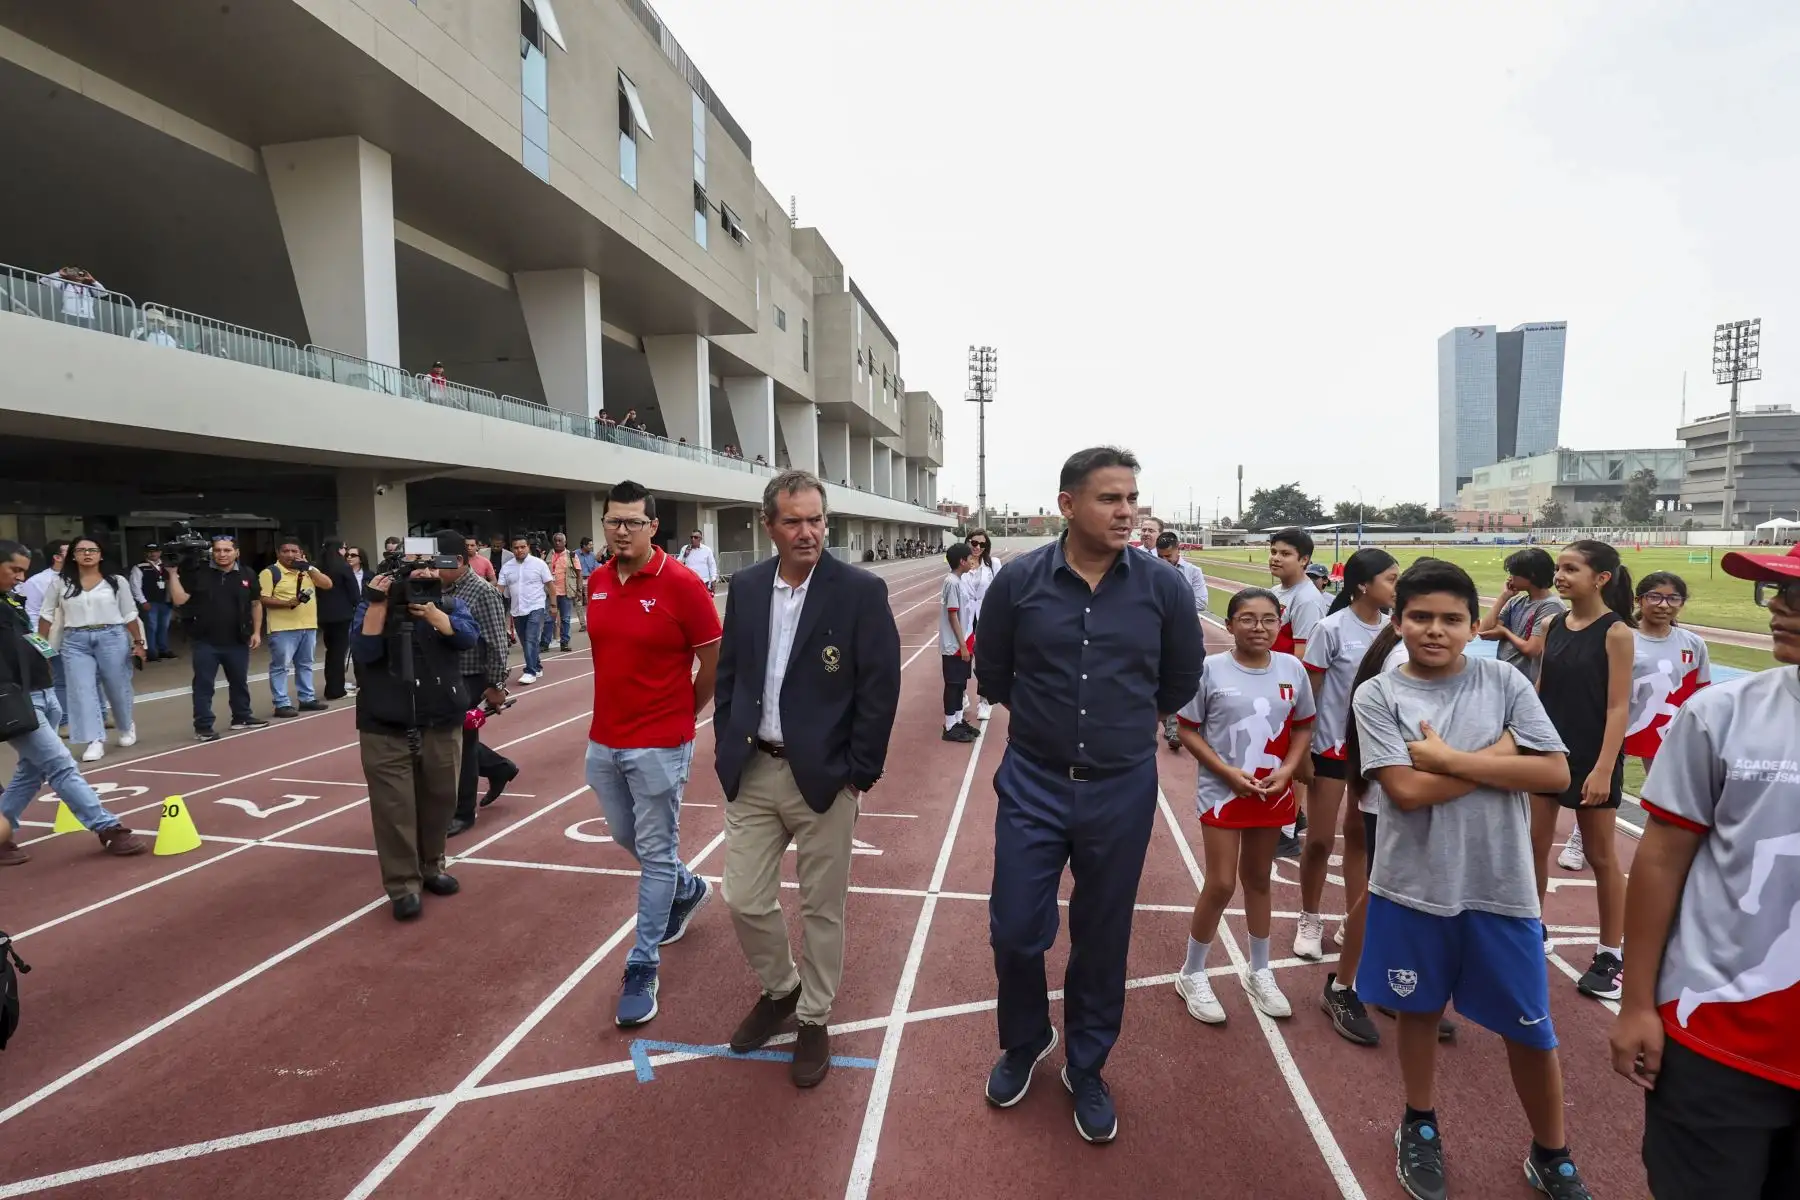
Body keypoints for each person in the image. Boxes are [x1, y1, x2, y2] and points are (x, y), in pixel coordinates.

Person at [975, 447, 1204, 1144]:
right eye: (1110, 498)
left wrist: (1116, 733)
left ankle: (1088, 1063)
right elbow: (995, 675)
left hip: (1120, 787)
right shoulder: (1017, 583)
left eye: (1132, 497)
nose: (1127, 511)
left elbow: (1178, 679)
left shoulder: (1163, 589)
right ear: (1067, 505)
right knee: (1015, 929)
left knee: (1103, 937)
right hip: (1035, 781)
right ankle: (1024, 1040)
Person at [1350, 559, 1589, 1200]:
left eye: (1452, 619)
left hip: (1501, 886)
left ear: (1472, 624)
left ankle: (1551, 1152)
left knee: (1530, 1028)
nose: (1436, 630)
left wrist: (1452, 760)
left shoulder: (1504, 681)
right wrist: (1503, 755)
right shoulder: (1377, 693)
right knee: (1419, 1012)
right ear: (1398, 621)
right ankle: (1420, 1122)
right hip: (1412, 887)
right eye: (1421, 617)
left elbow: (1556, 776)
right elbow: (1404, 791)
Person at [1609, 541, 1800, 1200]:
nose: (1777, 607)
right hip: (1715, 1034)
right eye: (1775, 591)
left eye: (1796, 596)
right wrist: (1637, 1003)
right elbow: (1660, 859)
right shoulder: (1722, 714)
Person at [713, 470, 900, 1087]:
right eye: (793, 520)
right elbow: (730, 675)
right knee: (741, 895)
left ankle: (815, 1016)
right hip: (754, 767)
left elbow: (879, 688)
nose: (808, 532)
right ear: (769, 526)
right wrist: (724, 748)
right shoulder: (744, 588)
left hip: (825, 777)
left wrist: (859, 775)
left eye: (817, 519)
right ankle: (781, 988)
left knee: (823, 907)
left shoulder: (858, 592)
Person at [584, 482, 723, 1027]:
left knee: (657, 850)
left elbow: (712, 659)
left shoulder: (682, 585)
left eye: (631, 523)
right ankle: (687, 889)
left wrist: (684, 715)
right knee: (626, 836)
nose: (621, 531)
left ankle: (642, 964)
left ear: (652, 526)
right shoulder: (595, 581)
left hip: (661, 741)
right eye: (613, 521)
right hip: (604, 738)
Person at [1172, 587, 1315, 1026]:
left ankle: (1260, 970)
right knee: (1219, 883)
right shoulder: (1210, 670)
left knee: (1258, 879)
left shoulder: (1292, 668)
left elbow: (1304, 726)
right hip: (1224, 792)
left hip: (1272, 791)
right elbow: (1188, 729)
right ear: (1230, 623)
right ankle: (1192, 972)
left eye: (1269, 619)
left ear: (1280, 622)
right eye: (1248, 619)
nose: (1259, 627)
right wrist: (1228, 773)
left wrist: (1288, 770)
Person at [350, 530, 479, 921]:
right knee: (395, 809)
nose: (420, 579)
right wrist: (378, 603)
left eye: (427, 569)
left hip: (440, 719)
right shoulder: (372, 605)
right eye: (414, 571)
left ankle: (432, 866)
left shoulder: (449, 603)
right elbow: (364, 651)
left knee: (440, 799)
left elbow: (470, 638)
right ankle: (403, 884)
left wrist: (438, 616)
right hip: (385, 724)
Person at [1532, 539, 1635, 1003]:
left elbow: (1618, 707)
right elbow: (1540, 690)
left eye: (1571, 569)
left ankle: (1611, 953)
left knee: (1601, 857)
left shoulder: (1616, 633)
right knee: (1531, 847)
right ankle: (1532, 929)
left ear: (1601, 578)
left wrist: (1603, 768)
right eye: (1559, 568)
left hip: (1593, 757)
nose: (1561, 575)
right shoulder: (1553, 623)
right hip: (1546, 754)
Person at [0, 540, 147, 864]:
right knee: (60, 764)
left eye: (23, 571)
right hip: (14, 700)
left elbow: (31, 639)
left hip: (41, 691)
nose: (20, 577)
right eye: (14, 570)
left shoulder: (10, 601)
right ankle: (107, 827)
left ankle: (2, 830)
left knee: (31, 771)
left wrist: (47, 662)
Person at [1563, 571, 1711, 874]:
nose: (1664, 605)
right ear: (1639, 600)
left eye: (1673, 598)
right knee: (1599, 786)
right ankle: (1578, 840)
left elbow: (1701, 691)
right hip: (1616, 725)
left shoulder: (1693, 644)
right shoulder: (1622, 635)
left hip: (1665, 729)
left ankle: (1671, 851)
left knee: (1668, 791)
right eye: (1655, 596)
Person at [1294, 548, 1398, 962]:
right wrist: (1301, 750)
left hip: (1373, 752)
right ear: (1362, 584)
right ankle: (1309, 916)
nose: (1397, 586)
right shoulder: (1330, 629)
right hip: (1331, 748)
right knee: (1319, 840)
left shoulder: (1394, 631)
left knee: (1361, 841)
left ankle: (1355, 921)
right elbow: (1310, 695)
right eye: (1390, 578)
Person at [36, 536, 143, 763]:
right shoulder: (61, 582)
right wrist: (43, 649)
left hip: (112, 635)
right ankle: (94, 739)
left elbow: (130, 613)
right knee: (81, 689)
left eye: (92, 550)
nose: (87, 554)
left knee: (116, 685)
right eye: (81, 550)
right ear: (73, 555)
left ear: (101, 554)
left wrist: (138, 643)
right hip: (75, 639)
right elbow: (46, 614)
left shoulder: (116, 581)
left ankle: (125, 726)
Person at [445, 539, 519, 839]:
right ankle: (499, 767)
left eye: (439, 562)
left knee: (458, 742)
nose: (432, 568)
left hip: (470, 675)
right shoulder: (436, 588)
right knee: (447, 740)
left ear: (459, 560)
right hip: (442, 674)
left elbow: (497, 641)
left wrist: (496, 684)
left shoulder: (482, 591)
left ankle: (463, 812)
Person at [167, 535, 267, 741]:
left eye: (227, 550)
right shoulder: (199, 573)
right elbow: (180, 600)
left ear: (236, 552)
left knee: (239, 682)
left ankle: (242, 717)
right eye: (218, 550)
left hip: (238, 640)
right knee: (204, 685)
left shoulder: (247, 574)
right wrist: (173, 574)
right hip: (205, 641)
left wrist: (256, 632)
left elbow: (256, 603)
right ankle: (203, 726)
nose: (222, 554)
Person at [259, 538, 333, 718]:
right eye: (286, 551)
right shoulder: (270, 572)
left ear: (301, 553)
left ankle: (307, 698)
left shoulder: (307, 571)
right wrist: (287, 603)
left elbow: (327, 584)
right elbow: (263, 598)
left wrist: (309, 567)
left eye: (294, 551)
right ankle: (281, 703)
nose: (290, 555)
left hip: (308, 625)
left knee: (306, 664)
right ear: (278, 553)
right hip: (282, 628)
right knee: (281, 666)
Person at [1155, 530, 1210, 750]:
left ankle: (1179, 724)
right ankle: (1170, 726)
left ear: (1178, 550)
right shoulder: (1151, 571)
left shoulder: (1193, 572)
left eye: (1168, 556)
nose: (1164, 561)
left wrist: (1174, 606)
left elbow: (1202, 603)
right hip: (1156, 631)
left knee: (1182, 674)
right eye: (1161, 556)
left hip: (1183, 632)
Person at [1479, 547, 1563, 684]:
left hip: (1525, 682)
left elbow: (1532, 650)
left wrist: (1504, 632)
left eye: (1514, 573)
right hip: (1504, 677)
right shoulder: (1516, 601)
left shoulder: (1551, 606)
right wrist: (1503, 597)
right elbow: (1484, 631)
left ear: (1531, 575)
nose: (1510, 578)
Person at [498, 535, 553, 684]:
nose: (519, 550)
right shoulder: (507, 567)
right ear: (512, 549)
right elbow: (499, 589)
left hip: (536, 606)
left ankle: (530, 671)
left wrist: (553, 606)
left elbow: (550, 585)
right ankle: (537, 665)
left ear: (528, 547)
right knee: (525, 640)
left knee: (530, 638)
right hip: (516, 609)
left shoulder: (539, 564)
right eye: (516, 547)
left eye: (522, 547)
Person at [938, 542, 978, 743]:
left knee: (961, 684)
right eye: (969, 558)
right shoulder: (952, 582)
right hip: (954, 645)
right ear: (961, 561)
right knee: (953, 685)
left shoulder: (960, 580)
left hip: (965, 640)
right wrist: (962, 645)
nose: (972, 561)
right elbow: (953, 615)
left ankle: (958, 720)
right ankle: (949, 725)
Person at [316, 541, 361, 702]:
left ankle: (334, 685)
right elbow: (354, 593)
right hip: (342, 615)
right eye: (343, 548)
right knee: (338, 653)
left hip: (323, 615)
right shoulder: (343, 567)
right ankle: (336, 689)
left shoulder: (319, 567)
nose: (345, 552)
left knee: (331, 652)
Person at [960, 530, 996, 721]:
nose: (977, 547)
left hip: (985, 616)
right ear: (968, 542)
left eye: (982, 544)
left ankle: (984, 700)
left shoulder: (992, 564)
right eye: (974, 542)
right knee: (963, 657)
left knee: (983, 659)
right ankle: (962, 695)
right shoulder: (961, 563)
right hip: (965, 615)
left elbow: (1000, 589)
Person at [129, 544, 175, 661]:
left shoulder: (166, 566)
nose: (153, 554)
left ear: (160, 552)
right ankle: (152, 653)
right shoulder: (139, 567)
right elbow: (135, 587)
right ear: (146, 553)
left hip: (166, 601)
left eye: (156, 551)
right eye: (150, 551)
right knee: (151, 627)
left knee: (164, 627)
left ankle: (163, 650)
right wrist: (143, 601)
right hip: (150, 602)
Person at [546, 532, 577, 653]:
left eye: (560, 541)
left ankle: (564, 643)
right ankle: (545, 643)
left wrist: (579, 590)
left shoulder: (571, 555)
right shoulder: (548, 555)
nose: (558, 543)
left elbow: (578, 573)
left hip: (566, 592)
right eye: (556, 541)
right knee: (549, 619)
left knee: (565, 619)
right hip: (550, 592)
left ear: (565, 542)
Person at [677, 530, 719, 594]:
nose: (693, 539)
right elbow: (678, 564)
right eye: (691, 537)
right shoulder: (685, 548)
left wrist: (713, 580)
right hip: (689, 582)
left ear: (700, 539)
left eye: (695, 537)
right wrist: (685, 555)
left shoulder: (707, 550)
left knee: (704, 602)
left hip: (704, 582)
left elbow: (712, 565)